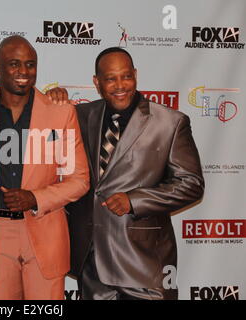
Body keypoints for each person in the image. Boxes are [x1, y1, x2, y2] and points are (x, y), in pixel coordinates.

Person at [65, 47, 204, 300]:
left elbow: (191, 184)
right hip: (93, 266)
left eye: (126, 76)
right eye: (110, 79)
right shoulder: (80, 116)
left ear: (136, 75)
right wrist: (52, 98)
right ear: (97, 82)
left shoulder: (170, 122)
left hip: (145, 266)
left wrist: (135, 200)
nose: (120, 85)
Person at [0, 35, 90, 300]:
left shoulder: (60, 112)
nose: (23, 72)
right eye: (14, 64)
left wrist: (35, 197)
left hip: (44, 229)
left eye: (30, 64)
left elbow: (79, 179)